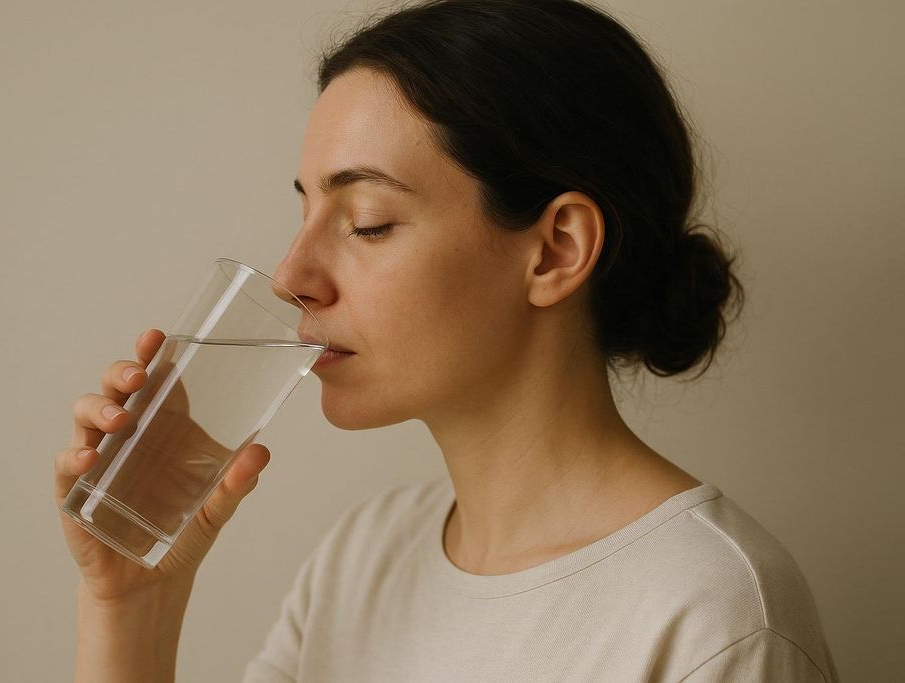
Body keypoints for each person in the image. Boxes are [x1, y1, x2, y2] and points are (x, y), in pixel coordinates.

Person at [53, 1, 839, 680]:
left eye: (367, 222)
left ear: (557, 248)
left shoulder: (714, 615)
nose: (292, 274)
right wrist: (130, 607)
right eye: (305, 215)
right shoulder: (360, 560)